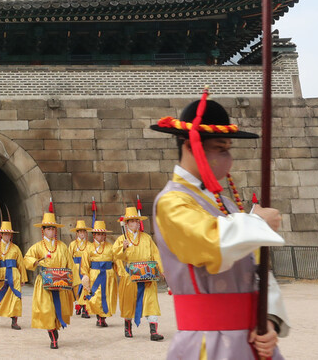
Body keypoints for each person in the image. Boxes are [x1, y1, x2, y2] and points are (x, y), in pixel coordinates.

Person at [151, 95, 290, 359]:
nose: (228, 158)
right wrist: (257, 223)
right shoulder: (171, 202)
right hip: (207, 342)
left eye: (228, 149)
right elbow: (211, 245)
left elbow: (259, 269)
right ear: (191, 146)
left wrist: (269, 320)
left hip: (252, 338)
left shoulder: (224, 202)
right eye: (220, 148)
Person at [23, 211, 79, 350]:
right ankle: (53, 337)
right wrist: (36, 261)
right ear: (43, 231)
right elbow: (27, 259)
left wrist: (75, 284)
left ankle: (55, 329)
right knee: (47, 309)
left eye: (53, 228)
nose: (51, 231)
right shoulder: (37, 247)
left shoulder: (62, 246)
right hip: (44, 282)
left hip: (60, 282)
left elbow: (70, 265)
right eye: (48, 228)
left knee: (59, 309)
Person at [112, 207, 165, 341]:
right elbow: (115, 255)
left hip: (147, 274)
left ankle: (153, 331)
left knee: (151, 301)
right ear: (127, 223)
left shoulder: (147, 238)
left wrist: (162, 269)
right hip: (131, 275)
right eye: (132, 221)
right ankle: (127, 326)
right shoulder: (122, 239)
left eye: (137, 221)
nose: (135, 223)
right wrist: (122, 248)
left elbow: (156, 254)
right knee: (129, 302)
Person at [0, 221, 27, 330]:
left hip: (14, 275)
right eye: (5, 234)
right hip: (2, 275)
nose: (7, 236)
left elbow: (21, 263)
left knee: (16, 297)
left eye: (9, 234)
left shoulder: (16, 248)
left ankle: (14, 321)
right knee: (1, 295)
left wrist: (23, 278)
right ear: (1, 235)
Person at [82, 220, 117, 328]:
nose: (100, 236)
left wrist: (121, 272)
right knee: (96, 296)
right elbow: (85, 263)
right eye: (98, 234)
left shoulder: (111, 247)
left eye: (102, 234)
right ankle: (98, 315)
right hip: (95, 274)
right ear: (94, 235)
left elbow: (116, 261)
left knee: (106, 296)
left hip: (108, 275)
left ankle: (103, 318)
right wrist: (85, 275)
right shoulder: (88, 248)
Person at [68, 220, 91, 319]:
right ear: (77, 233)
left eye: (84, 232)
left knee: (86, 287)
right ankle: (78, 305)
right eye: (80, 232)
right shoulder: (73, 244)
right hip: (76, 267)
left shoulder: (89, 244)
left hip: (85, 267)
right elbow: (69, 257)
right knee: (77, 287)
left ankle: (86, 308)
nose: (82, 234)